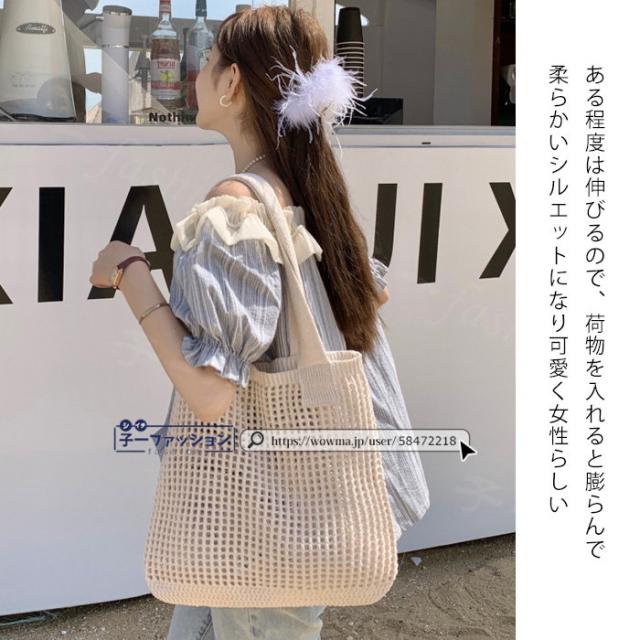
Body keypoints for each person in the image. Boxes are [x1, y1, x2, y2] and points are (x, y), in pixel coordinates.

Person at [89, 5, 430, 639]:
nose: (195, 74)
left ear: (232, 83)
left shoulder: (237, 205)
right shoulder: (305, 187)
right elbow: (362, 307)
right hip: (288, 499)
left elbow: (210, 391)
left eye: (207, 60)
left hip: (264, 514)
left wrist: (130, 271)